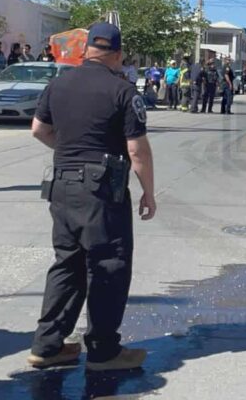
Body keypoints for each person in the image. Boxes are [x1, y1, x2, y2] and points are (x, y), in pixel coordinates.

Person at [27, 22, 156, 372]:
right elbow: (137, 150)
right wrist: (148, 192)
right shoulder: (123, 90)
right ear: (117, 54)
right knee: (108, 265)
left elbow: (39, 129)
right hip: (101, 190)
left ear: (86, 51)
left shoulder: (58, 83)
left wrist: (69, 153)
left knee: (66, 265)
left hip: (61, 184)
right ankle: (103, 351)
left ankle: (47, 346)